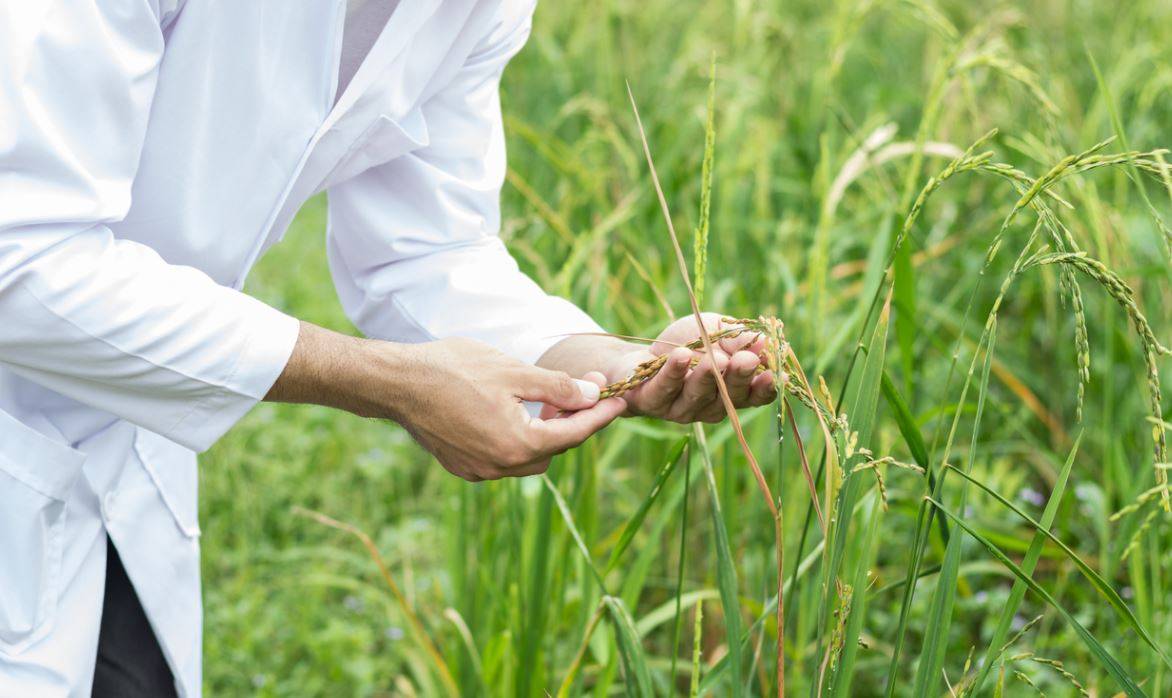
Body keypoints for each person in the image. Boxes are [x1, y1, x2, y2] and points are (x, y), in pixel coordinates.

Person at [0, 0, 777, 695]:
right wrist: (387, 381)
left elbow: (426, 251)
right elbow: (23, 258)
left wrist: (617, 366)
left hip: (117, 451)